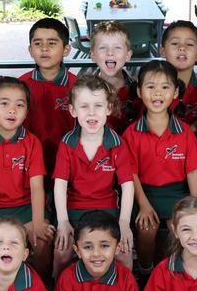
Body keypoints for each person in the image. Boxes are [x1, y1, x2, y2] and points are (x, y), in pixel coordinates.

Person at [122, 60, 197, 278]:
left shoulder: (184, 132)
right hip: (144, 194)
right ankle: (147, 273)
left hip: (176, 194)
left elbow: (193, 172)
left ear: (176, 92)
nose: (157, 93)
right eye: (150, 87)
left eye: (165, 87)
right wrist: (144, 205)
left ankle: (175, 275)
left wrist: (196, 207)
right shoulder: (132, 133)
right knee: (147, 227)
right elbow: (131, 175)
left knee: (182, 227)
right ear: (139, 91)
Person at [0, 76, 54, 282]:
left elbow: (36, 187)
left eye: (19, 105)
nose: (12, 110)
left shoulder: (32, 143)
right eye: (4, 103)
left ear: (26, 112)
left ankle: (40, 286)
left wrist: (38, 221)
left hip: (25, 206)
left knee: (42, 240)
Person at [53, 75, 135, 277]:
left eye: (98, 106)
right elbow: (60, 185)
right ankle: (56, 290)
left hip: (108, 209)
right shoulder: (67, 143)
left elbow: (127, 185)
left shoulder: (116, 143)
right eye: (84, 106)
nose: (91, 113)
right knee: (62, 252)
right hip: (75, 209)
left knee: (124, 254)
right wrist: (63, 221)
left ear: (108, 109)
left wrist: (124, 222)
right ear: (72, 110)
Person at [20, 18, 77, 179]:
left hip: (69, 165)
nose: (44, 49)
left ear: (66, 50)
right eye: (38, 44)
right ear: (30, 50)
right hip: (28, 164)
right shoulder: (20, 86)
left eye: (52, 43)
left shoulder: (78, 87)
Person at [159, 20, 197, 135]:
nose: (182, 48)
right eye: (175, 43)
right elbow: (149, 128)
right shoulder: (152, 86)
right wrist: (191, 129)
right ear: (163, 51)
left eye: (189, 44)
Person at [89, 20, 138, 134]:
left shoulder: (138, 91)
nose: (110, 53)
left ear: (128, 55)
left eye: (117, 47)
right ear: (93, 55)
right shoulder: (83, 91)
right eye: (103, 48)